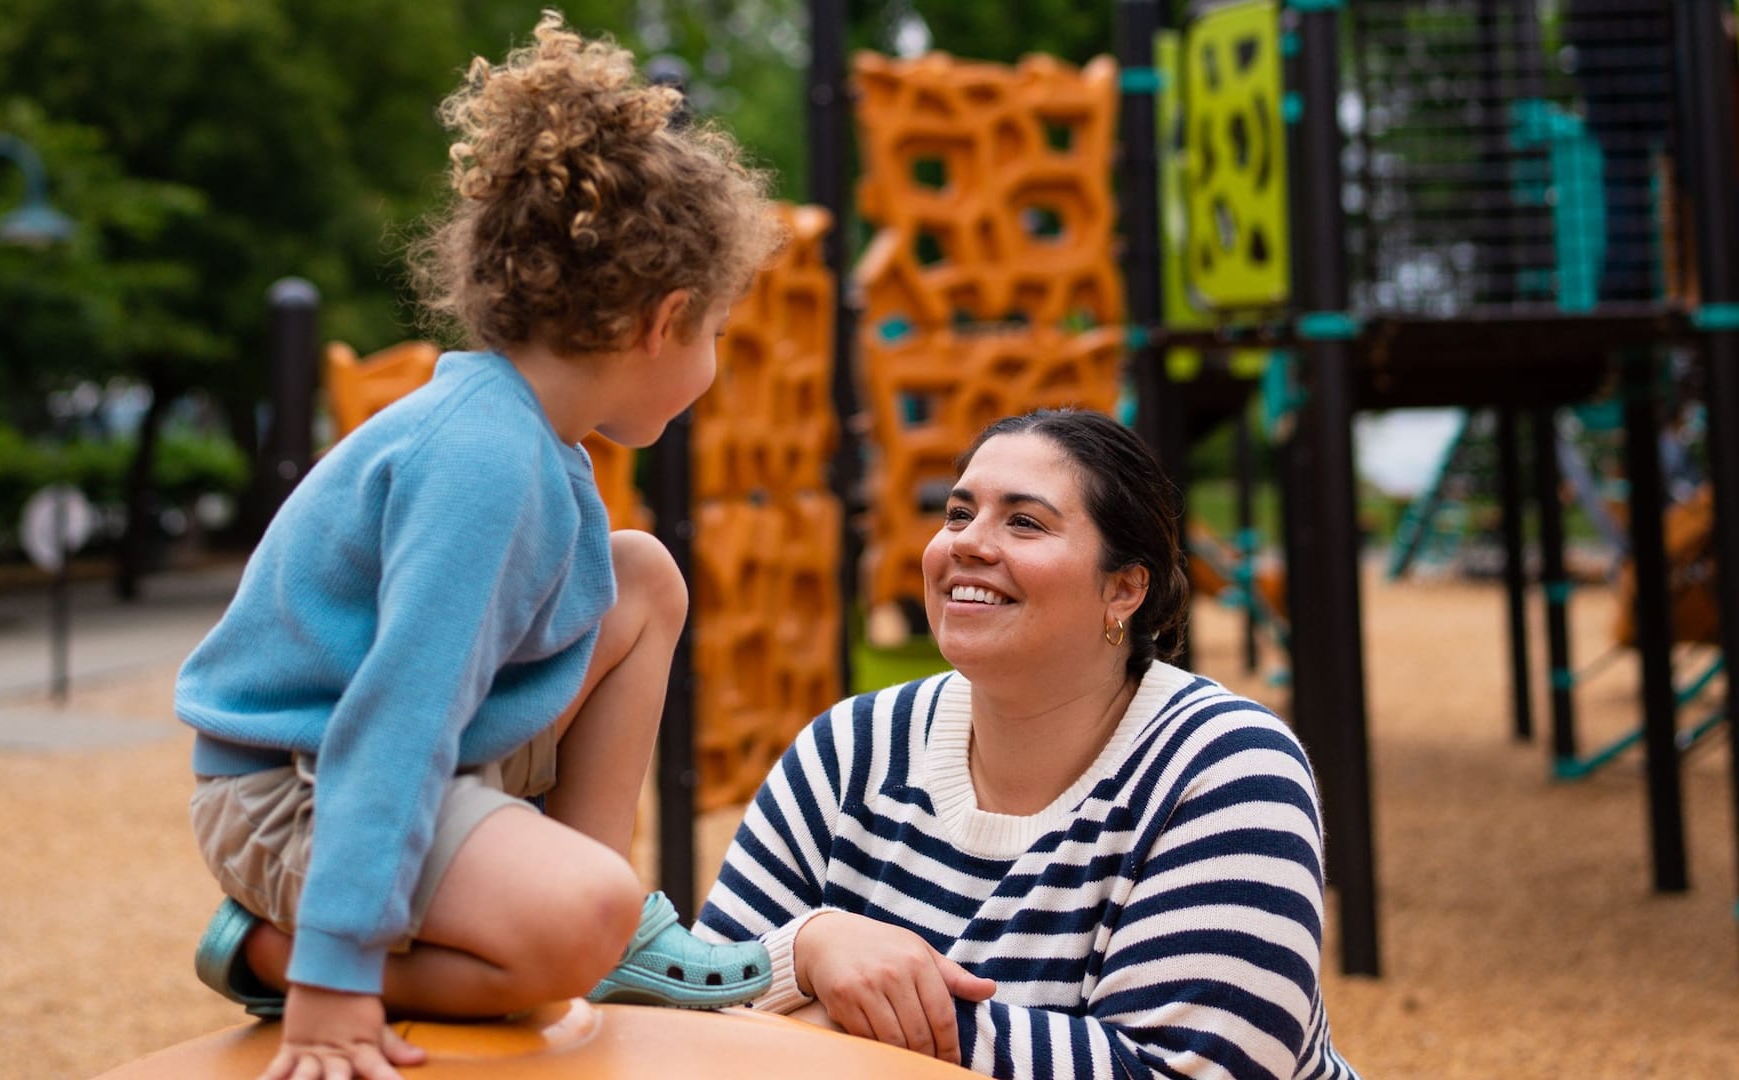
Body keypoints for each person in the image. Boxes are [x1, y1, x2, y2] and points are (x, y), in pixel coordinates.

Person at [175, 14, 783, 1080]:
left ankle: (608, 924)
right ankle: (270, 951)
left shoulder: (531, 439)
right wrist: (330, 982)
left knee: (642, 576)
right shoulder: (484, 464)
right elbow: (397, 716)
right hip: (295, 789)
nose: (716, 356)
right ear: (666, 319)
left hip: (395, 761)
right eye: (719, 330)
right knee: (563, 931)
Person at [695, 409, 1357, 1078]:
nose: (967, 544)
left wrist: (855, 1024)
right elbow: (683, 1012)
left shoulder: (1223, 766)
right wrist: (812, 946)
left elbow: (1183, 1072)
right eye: (957, 514)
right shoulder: (852, 749)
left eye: (1025, 522)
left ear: (1124, 588)